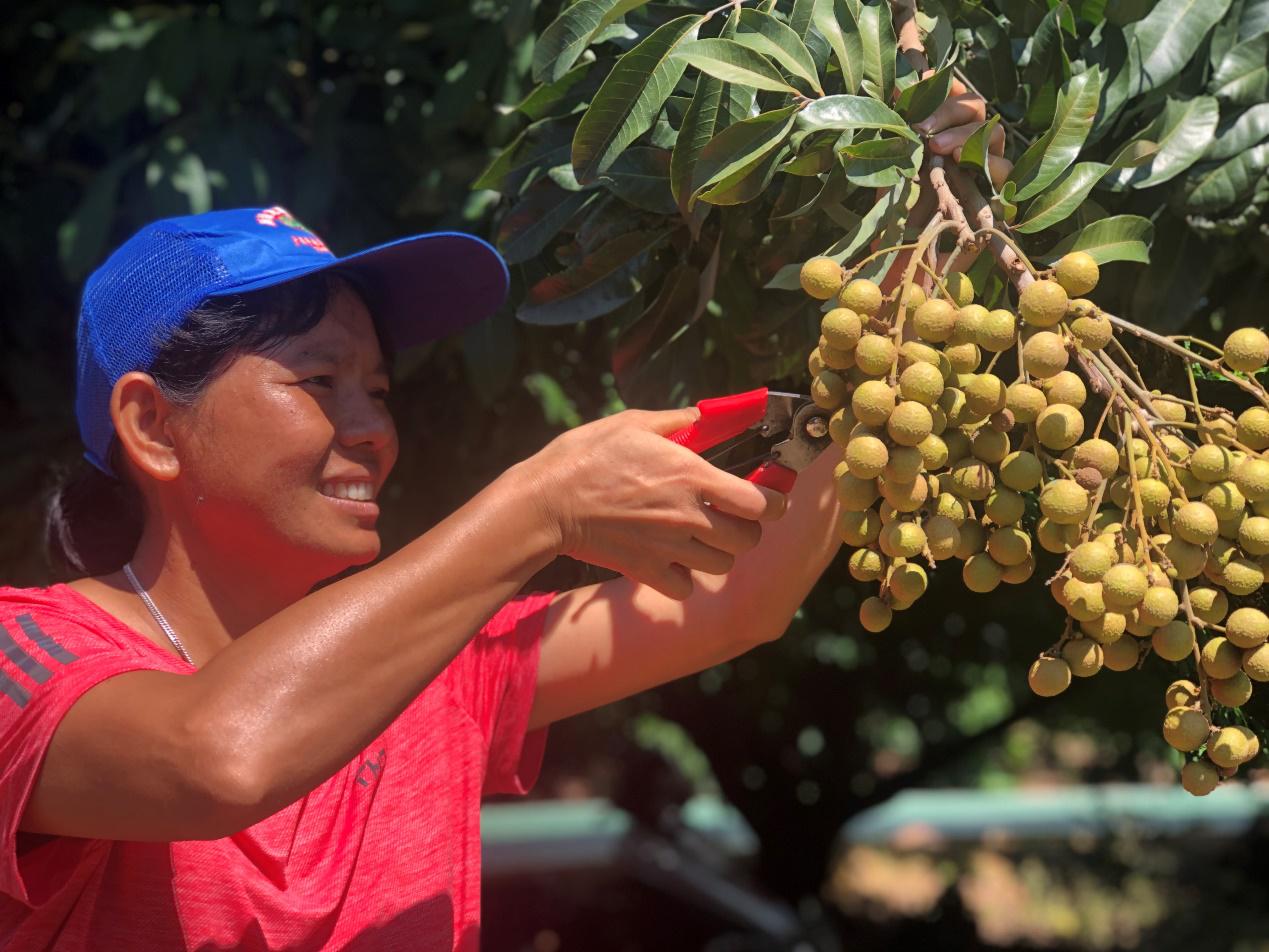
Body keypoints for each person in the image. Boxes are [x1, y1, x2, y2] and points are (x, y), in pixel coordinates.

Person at [1, 89, 1005, 950]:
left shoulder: (430, 660)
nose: (370, 430)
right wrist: (539, 503)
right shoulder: (27, 652)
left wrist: (896, 323)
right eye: (317, 381)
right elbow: (214, 758)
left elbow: (739, 596)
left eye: (381, 391)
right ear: (151, 424)